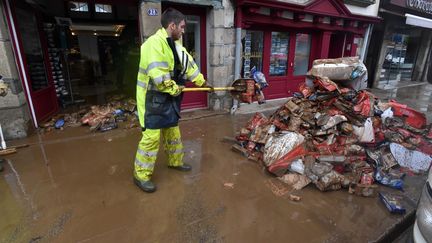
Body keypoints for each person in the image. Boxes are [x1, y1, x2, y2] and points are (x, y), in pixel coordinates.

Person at [133, 8, 210, 193]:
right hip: (151, 99)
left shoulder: (175, 45)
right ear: (172, 25)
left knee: (172, 132)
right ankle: (141, 175)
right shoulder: (153, 45)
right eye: (182, 27)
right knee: (151, 139)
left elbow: (189, 66)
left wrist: (204, 83)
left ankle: (175, 162)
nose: (183, 31)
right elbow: (159, 79)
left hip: (167, 99)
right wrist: (175, 89)